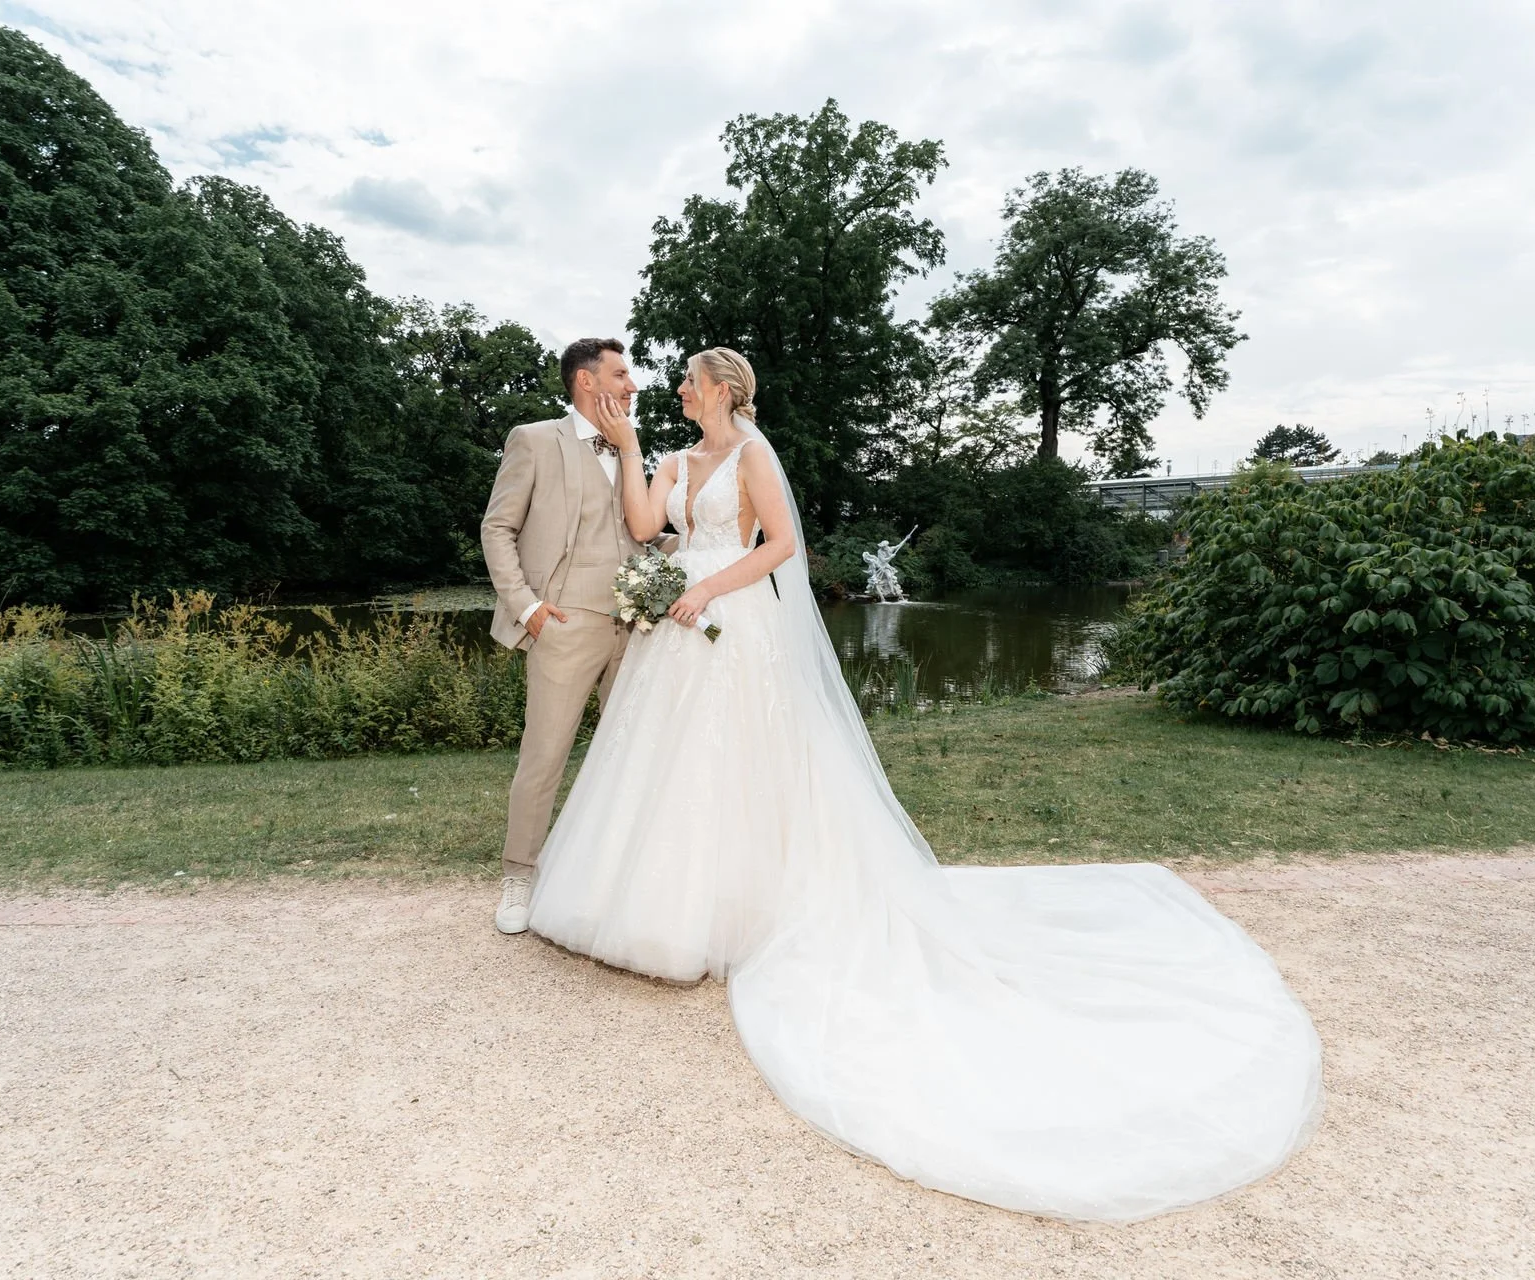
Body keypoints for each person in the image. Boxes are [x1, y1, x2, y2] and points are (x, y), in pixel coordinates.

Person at [519, 347, 1323, 1223]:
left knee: (741, 765)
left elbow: (782, 545)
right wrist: (631, 447)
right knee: (667, 770)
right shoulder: (673, 458)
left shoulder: (752, 454)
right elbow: (645, 528)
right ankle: (661, 903)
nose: (674, 389)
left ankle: (747, 907)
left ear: (719, 388)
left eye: (686, 381)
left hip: (733, 624)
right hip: (679, 633)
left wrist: (708, 585)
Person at [479, 337, 648, 935]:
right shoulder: (534, 440)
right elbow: (497, 528)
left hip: (636, 628)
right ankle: (519, 875)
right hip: (564, 625)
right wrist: (527, 607)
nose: (632, 385)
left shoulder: (630, 445)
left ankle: (618, 880)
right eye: (621, 374)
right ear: (586, 380)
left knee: (634, 755)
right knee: (545, 755)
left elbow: (640, 532)